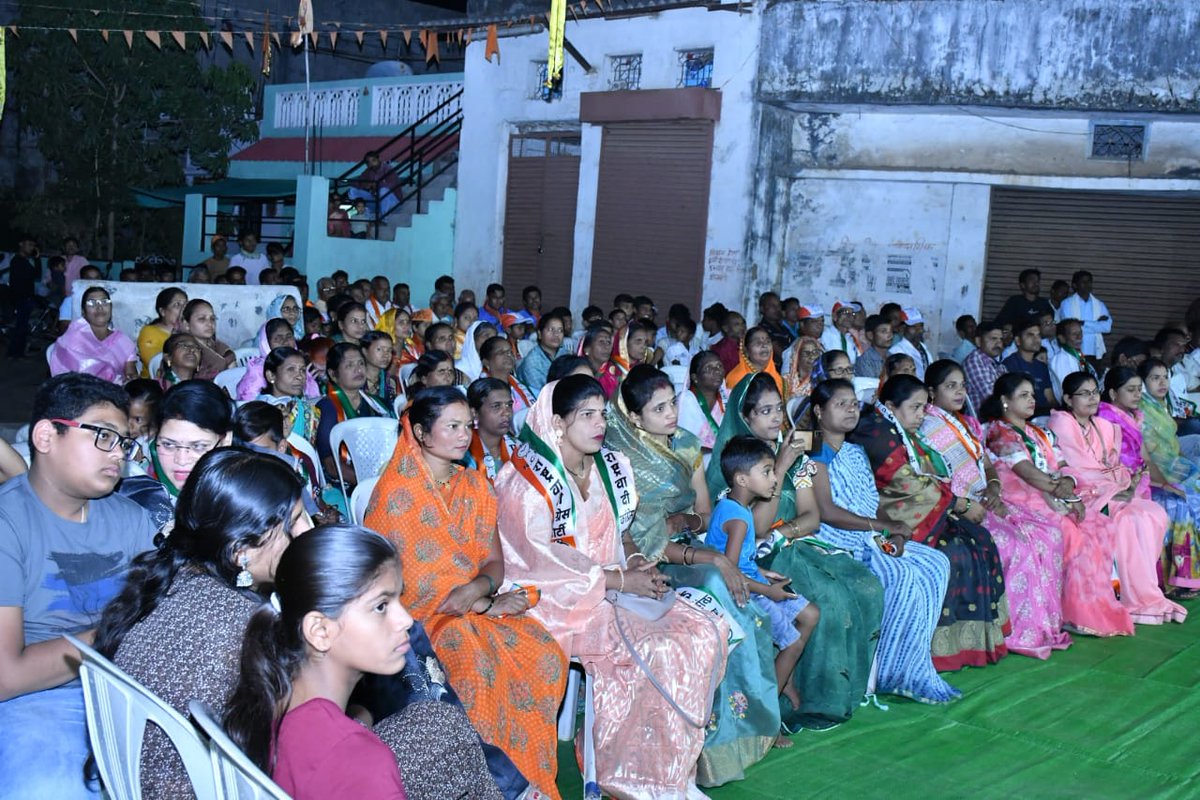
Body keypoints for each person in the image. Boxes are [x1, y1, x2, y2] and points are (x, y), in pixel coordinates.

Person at [495, 376, 729, 798]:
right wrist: (623, 581)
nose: (598, 424)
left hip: (615, 583)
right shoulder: (525, 483)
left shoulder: (611, 464)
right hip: (558, 600)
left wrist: (638, 563)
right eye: (586, 415)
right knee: (654, 648)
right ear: (558, 423)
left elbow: (623, 534)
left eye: (602, 414)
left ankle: (672, 769)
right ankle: (629, 776)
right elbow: (539, 566)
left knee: (705, 630)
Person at [365, 387, 567, 796]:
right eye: (452, 426)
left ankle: (533, 780)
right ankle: (491, 787)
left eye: (467, 426)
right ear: (420, 433)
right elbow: (400, 585)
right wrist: (476, 602)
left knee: (545, 654)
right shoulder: (395, 495)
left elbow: (494, 564)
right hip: (421, 620)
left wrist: (479, 590)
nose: (463, 435)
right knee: (474, 665)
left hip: (475, 606)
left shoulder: (475, 485)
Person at [94, 448, 311, 796]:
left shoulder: (169, 580)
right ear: (242, 551)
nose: (306, 530)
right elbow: (297, 745)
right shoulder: (249, 628)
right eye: (295, 519)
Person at [605, 366, 782, 782]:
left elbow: (702, 515)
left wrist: (683, 524)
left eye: (673, 404)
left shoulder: (685, 445)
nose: (672, 414)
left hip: (684, 549)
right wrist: (705, 556)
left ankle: (751, 721)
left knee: (725, 582)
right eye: (659, 408)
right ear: (633, 418)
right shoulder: (617, 457)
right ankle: (712, 740)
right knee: (718, 582)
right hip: (640, 562)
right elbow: (627, 535)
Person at [0, 373, 156, 799]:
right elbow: (6, 676)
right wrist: (113, 634)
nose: (119, 455)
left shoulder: (130, 519)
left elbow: (155, 618)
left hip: (132, 694)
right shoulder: (8, 525)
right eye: (104, 436)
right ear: (47, 435)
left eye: (124, 442)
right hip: (39, 702)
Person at [706, 373, 885, 729]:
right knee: (832, 602)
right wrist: (781, 465)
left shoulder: (797, 451)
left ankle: (849, 692)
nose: (776, 418)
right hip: (757, 557)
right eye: (765, 411)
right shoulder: (739, 463)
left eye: (778, 409)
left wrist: (785, 532)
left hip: (791, 545)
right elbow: (755, 528)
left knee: (868, 587)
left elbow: (812, 516)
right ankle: (814, 701)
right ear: (746, 417)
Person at [223, 526, 412, 799]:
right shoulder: (362, 765)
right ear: (320, 631)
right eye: (381, 606)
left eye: (399, 598)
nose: (405, 619)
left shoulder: (269, 697)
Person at [804, 379, 960, 701]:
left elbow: (869, 501)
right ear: (819, 411)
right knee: (899, 574)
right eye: (840, 404)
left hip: (869, 534)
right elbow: (827, 512)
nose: (850, 409)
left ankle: (912, 667)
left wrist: (888, 534)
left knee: (935, 563)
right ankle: (889, 671)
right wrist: (886, 529)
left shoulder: (855, 451)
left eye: (853, 403)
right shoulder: (811, 450)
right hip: (836, 540)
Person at [849, 375, 1010, 671]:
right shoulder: (876, 432)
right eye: (916, 408)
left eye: (924, 408)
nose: (922, 415)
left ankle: (969, 643)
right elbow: (903, 484)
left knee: (978, 540)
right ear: (890, 406)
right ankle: (935, 650)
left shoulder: (900, 430)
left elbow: (930, 477)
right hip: (889, 518)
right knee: (954, 554)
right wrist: (957, 504)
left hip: (927, 511)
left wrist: (952, 504)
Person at [922, 362, 1071, 659]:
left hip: (988, 498)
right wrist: (974, 501)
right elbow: (935, 479)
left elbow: (987, 465)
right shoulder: (927, 426)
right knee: (1017, 544)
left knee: (1049, 534)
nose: (960, 391)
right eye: (950, 386)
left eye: (962, 385)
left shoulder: (967, 422)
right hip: (960, 508)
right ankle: (1017, 631)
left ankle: (1043, 626)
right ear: (931, 392)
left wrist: (992, 488)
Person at [982, 373, 1132, 637]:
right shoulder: (999, 431)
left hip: (1049, 495)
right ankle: (1072, 613)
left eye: (1032, 394)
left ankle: (1089, 609)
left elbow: (1063, 467)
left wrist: (1069, 485)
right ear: (1005, 401)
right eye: (1023, 395)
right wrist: (1060, 490)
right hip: (1021, 499)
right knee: (1072, 534)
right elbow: (1025, 472)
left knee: (1099, 526)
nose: (1031, 400)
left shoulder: (1039, 432)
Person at [1048, 372, 1186, 626]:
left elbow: (1113, 463)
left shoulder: (1103, 426)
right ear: (1068, 399)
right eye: (1084, 393)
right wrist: (1114, 486)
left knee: (1154, 513)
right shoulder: (1062, 423)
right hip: (1084, 493)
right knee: (1130, 518)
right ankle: (1137, 598)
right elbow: (1076, 467)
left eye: (1093, 392)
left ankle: (1145, 593)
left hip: (1110, 488)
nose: (1091, 398)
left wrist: (1126, 482)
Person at [708, 436, 820, 744]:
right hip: (743, 594)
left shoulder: (736, 507)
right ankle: (769, 722)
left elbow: (739, 562)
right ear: (743, 479)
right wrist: (766, 589)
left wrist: (761, 572)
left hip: (752, 580)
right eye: (768, 472)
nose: (774, 479)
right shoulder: (739, 519)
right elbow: (727, 575)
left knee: (810, 615)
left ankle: (782, 680)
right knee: (793, 643)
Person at [1102, 364, 1200, 597]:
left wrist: (1164, 483)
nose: (1137, 394)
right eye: (1131, 389)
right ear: (1114, 393)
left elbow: (1145, 456)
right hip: (1119, 486)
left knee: (1184, 494)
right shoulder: (1108, 419)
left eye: (1138, 389)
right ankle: (1177, 579)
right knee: (1180, 503)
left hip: (1143, 480)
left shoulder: (1136, 414)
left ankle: (1184, 575)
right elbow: (1123, 463)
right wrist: (1163, 484)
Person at [315, 343, 393, 487]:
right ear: (333, 374)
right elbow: (331, 464)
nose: (358, 369)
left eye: (361, 363)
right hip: (347, 486)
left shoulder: (378, 404)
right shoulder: (327, 407)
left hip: (382, 475)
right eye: (350, 365)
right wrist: (372, 485)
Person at [50, 286, 138, 383]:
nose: (99, 307)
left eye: (104, 302)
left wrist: (130, 379)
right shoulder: (73, 338)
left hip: (115, 393)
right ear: (83, 312)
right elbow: (66, 380)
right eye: (92, 303)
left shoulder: (123, 341)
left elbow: (131, 375)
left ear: (111, 308)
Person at [463, 378, 518, 482]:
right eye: (496, 406)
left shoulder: (518, 448)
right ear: (474, 413)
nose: (506, 412)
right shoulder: (462, 455)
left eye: (509, 405)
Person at [676, 350, 729, 456]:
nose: (717, 371)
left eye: (719, 366)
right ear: (695, 377)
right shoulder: (686, 401)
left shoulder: (727, 398)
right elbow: (684, 447)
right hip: (694, 462)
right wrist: (717, 454)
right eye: (708, 368)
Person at [1003, 317, 1056, 418]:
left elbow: (1050, 398)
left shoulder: (1042, 366)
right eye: (1030, 335)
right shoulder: (1009, 364)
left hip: (1044, 415)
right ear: (1018, 340)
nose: (1036, 339)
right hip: (1024, 417)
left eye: (1039, 335)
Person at [479, 336, 533, 432]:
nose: (508, 355)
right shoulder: (482, 390)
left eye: (510, 352)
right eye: (501, 352)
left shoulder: (517, 383)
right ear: (486, 361)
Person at [1055, 270, 1111, 360]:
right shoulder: (1067, 304)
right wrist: (1096, 325)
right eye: (1083, 282)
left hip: (1095, 352)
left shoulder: (1099, 304)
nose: (1087, 285)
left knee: (1093, 373)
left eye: (1089, 282)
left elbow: (1107, 327)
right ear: (1075, 285)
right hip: (1076, 351)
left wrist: (1083, 323)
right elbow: (1069, 328)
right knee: (1078, 373)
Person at [136, 287, 187, 377]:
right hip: (154, 385)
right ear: (163, 311)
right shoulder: (149, 332)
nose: (183, 309)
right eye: (177, 305)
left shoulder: (189, 332)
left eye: (186, 304)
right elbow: (154, 363)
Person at [180, 299, 234, 380]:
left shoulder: (222, 349)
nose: (209, 324)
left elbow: (233, 381)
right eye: (202, 319)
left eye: (212, 319)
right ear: (187, 324)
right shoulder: (181, 351)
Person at [597, 320, 652, 398]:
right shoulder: (609, 372)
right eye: (638, 342)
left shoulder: (644, 369)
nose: (643, 346)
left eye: (645, 342)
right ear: (624, 342)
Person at [963, 320, 1007, 413]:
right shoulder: (974, 361)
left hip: (1001, 417)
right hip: (983, 423)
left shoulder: (998, 365)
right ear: (978, 341)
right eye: (993, 338)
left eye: (1001, 339)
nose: (999, 343)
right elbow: (992, 397)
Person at [726, 326, 784, 395]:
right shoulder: (736, 379)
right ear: (746, 351)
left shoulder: (778, 379)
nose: (764, 345)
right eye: (758, 343)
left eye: (768, 341)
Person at [1049, 318, 1095, 402]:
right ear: (1062, 338)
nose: (1079, 337)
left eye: (1080, 333)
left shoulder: (1080, 357)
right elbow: (1067, 389)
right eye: (1074, 334)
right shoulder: (1060, 359)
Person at [889, 308, 933, 380]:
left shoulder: (923, 348)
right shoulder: (896, 351)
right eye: (914, 327)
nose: (920, 330)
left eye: (921, 326)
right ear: (903, 328)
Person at [362, 331, 402, 406]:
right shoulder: (356, 382)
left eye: (389, 350)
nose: (386, 355)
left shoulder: (391, 382)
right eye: (379, 349)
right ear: (365, 351)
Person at [781, 334, 822, 401]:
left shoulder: (821, 381)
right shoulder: (786, 379)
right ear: (797, 356)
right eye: (806, 353)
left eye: (815, 352)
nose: (811, 356)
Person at [853, 314, 893, 379]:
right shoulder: (865, 361)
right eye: (883, 331)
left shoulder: (892, 357)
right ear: (870, 335)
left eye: (891, 331)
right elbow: (872, 387)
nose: (890, 335)